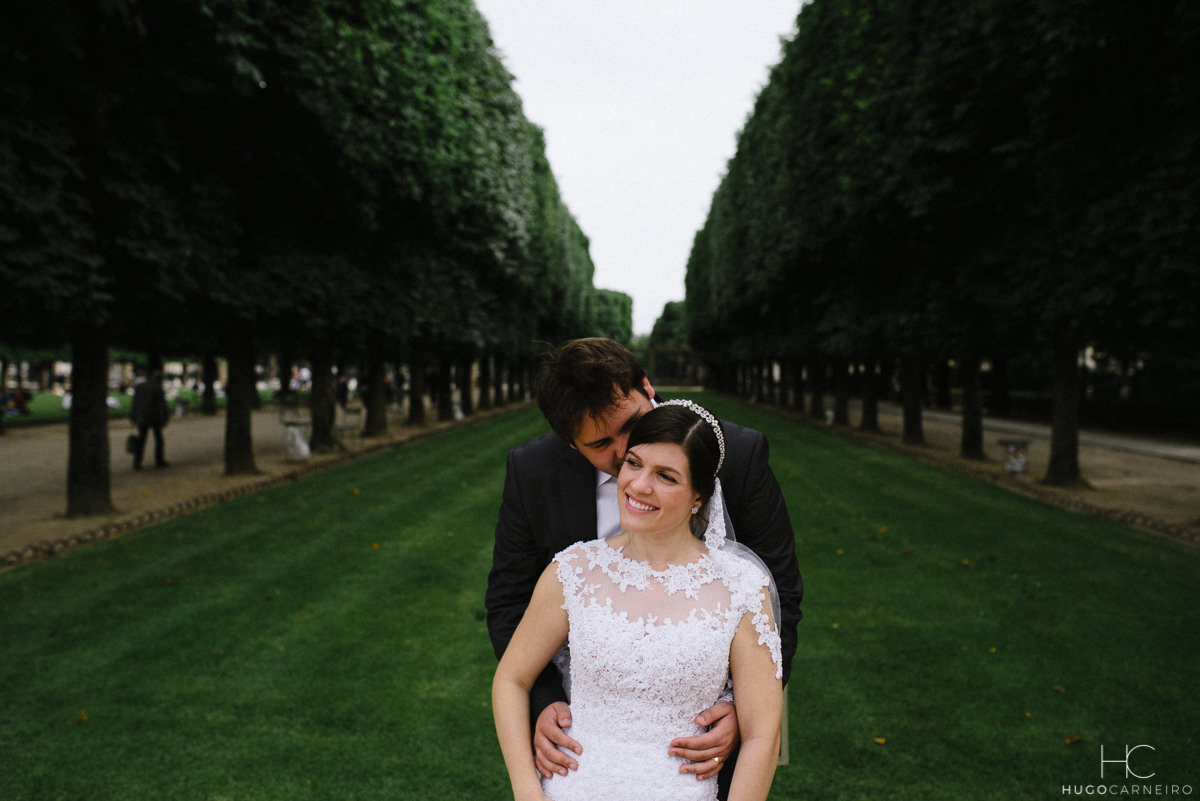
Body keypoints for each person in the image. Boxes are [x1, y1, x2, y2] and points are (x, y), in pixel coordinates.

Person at [486, 338, 803, 799]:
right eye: (602, 445)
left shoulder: (738, 454)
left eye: (631, 425)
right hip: (583, 752)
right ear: (571, 444)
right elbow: (510, 603)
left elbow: (781, 597)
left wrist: (743, 707)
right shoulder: (537, 482)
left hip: (692, 750)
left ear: (647, 388)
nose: (627, 456)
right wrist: (545, 701)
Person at [130, 368, 170, 470]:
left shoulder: (140, 387)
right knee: (158, 440)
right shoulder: (157, 388)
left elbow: (135, 403)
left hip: (142, 418)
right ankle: (159, 460)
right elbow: (161, 406)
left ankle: (137, 462)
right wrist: (164, 419)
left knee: (141, 440)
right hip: (154, 418)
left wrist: (133, 416)